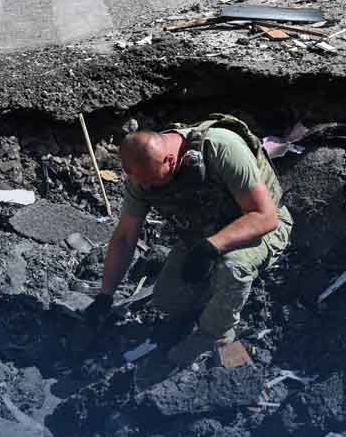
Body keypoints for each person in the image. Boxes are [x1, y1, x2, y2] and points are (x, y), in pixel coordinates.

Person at [83, 114, 293, 362]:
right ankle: (215, 295)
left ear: (170, 161)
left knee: (232, 266)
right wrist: (105, 295)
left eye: (151, 181)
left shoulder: (222, 148)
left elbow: (265, 216)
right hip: (204, 233)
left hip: (259, 225)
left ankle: (214, 336)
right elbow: (125, 238)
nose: (147, 188)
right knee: (167, 301)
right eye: (141, 183)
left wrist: (213, 246)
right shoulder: (143, 176)